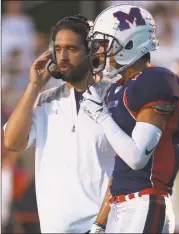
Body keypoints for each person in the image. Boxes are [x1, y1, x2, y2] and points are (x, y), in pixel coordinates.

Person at [81, 4, 179, 233]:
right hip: (122, 205)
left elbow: (137, 158)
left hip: (146, 202)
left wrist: (100, 115)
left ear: (129, 43)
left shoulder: (157, 80)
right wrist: (100, 222)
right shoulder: (117, 89)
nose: (100, 52)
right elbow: (121, 166)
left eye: (105, 44)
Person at [3, 14, 115, 233]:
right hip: (55, 227)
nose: (63, 57)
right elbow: (12, 143)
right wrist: (34, 87)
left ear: (91, 52)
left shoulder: (117, 95)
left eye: (72, 49)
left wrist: (101, 223)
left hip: (105, 226)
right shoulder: (44, 98)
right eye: (58, 49)